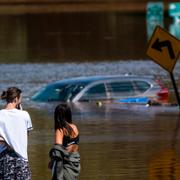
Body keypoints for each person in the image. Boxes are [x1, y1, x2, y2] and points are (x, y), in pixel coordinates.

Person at [0, 87, 33, 179]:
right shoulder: (25, 115)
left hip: (3, 159)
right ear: (16, 99)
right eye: (20, 99)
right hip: (21, 159)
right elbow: (26, 136)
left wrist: (6, 141)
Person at [49, 104, 80, 180]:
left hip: (65, 164)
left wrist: (52, 162)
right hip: (75, 162)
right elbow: (75, 145)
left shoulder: (60, 130)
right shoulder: (74, 127)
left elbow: (58, 150)